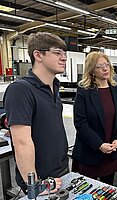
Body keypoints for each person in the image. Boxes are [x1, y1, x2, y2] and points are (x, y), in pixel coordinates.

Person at [4, 32, 69, 194]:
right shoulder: (20, 90)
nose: (64, 58)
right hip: (40, 178)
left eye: (64, 53)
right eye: (57, 52)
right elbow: (21, 142)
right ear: (38, 55)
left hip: (61, 170)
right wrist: (35, 185)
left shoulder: (54, 87)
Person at [71, 51, 117, 185]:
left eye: (107, 64)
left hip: (111, 153)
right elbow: (80, 123)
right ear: (91, 70)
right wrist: (99, 145)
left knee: (108, 189)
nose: (105, 68)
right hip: (90, 153)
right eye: (99, 66)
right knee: (88, 191)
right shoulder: (84, 91)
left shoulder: (116, 89)